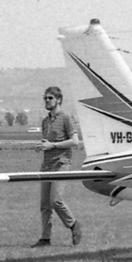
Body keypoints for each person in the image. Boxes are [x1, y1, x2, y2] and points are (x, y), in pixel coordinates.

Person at [32, 86, 83, 247]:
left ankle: (73, 224)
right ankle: (45, 238)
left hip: (61, 164)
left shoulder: (67, 118)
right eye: (45, 98)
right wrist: (43, 146)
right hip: (46, 166)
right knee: (45, 205)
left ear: (59, 100)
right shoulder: (45, 121)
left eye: (50, 98)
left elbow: (75, 141)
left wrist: (53, 145)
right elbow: (47, 142)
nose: (47, 101)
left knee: (56, 200)